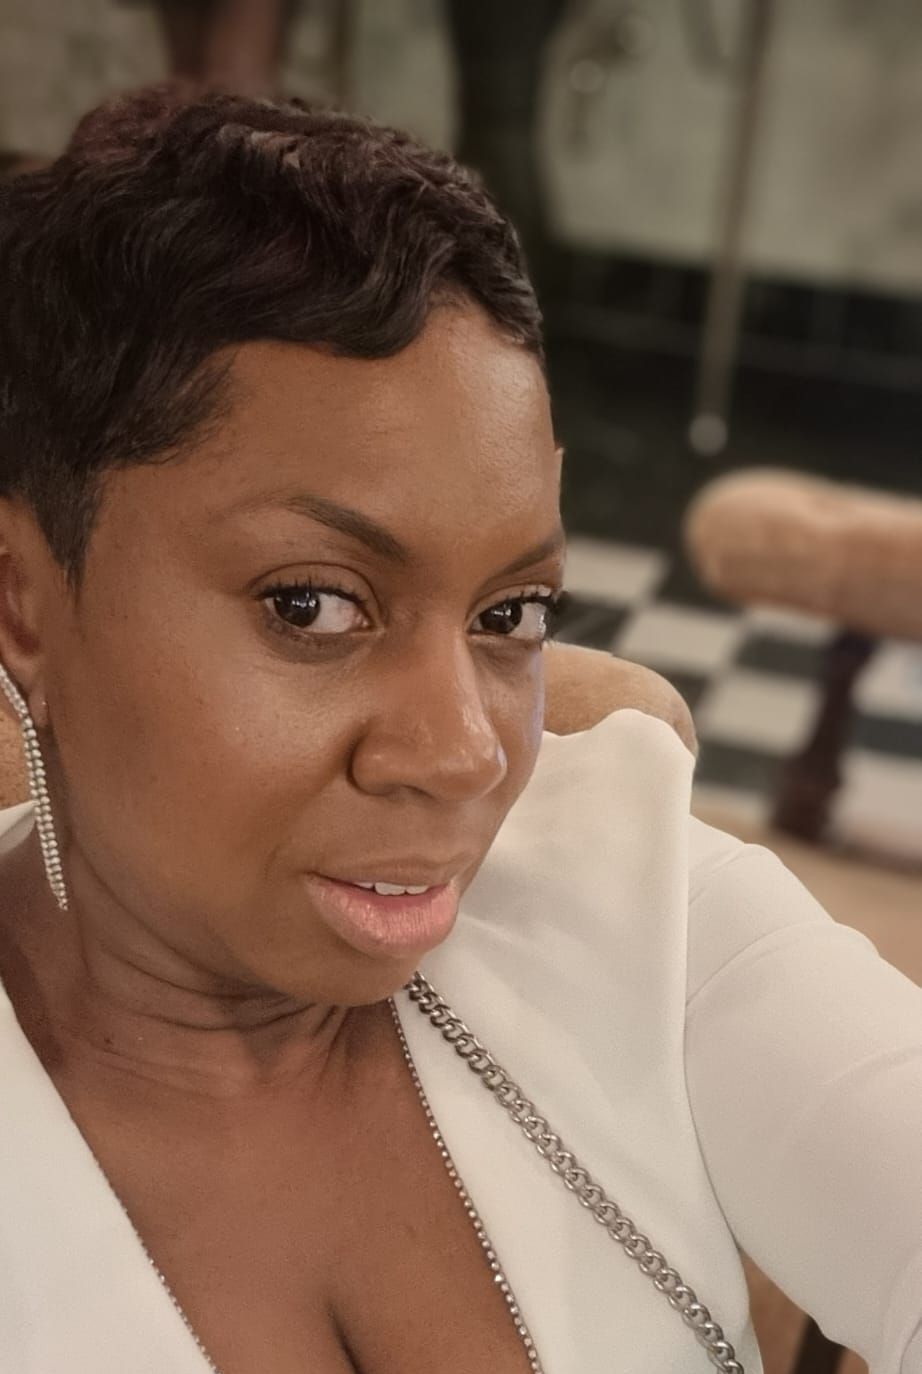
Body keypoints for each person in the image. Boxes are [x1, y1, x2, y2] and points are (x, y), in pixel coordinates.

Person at [0, 85, 919, 1374]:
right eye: (312, 605)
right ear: (23, 602)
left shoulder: (644, 907)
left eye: (511, 613)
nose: (465, 753)